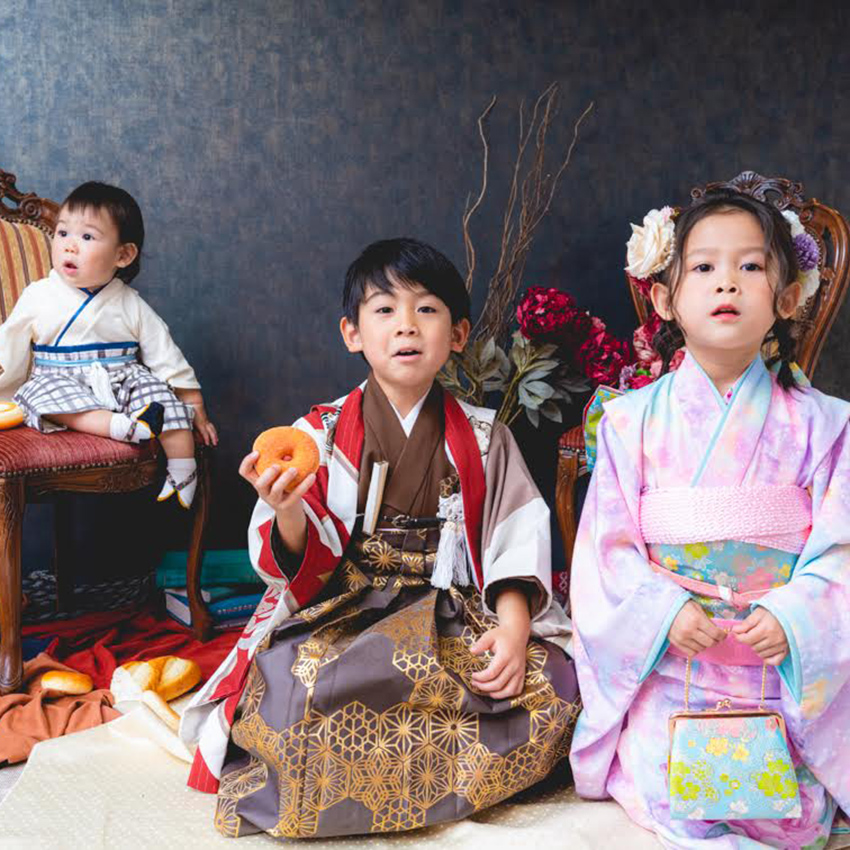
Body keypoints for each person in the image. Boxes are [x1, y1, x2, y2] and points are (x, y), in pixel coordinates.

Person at [180, 237, 578, 839]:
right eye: (385, 309)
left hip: (451, 604)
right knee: (294, 683)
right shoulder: (318, 432)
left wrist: (514, 632)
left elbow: (514, 538)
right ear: (353, 333)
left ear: (459, 334)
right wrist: (286, 509)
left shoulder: (485, 436)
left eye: (427, 309)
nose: (406, 326)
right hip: (349, 604)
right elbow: (297, 566)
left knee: (556, 681)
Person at [570, 191, 850, 847]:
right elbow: (607, 552)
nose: (727, 282)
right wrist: (662, 611)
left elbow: (842, 551)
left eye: (751, 266)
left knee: (792, 815)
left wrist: (794, 616)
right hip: (675, 669)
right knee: (674, 796)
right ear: (665, 300)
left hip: (778, 671)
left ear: (787, 298)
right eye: (703, 267)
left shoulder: (827, 425)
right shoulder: (629, 422)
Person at [0, 181, 217, 507]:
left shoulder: (130, 302)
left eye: (87, 237)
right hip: (59, 377)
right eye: (62, 233)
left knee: (163, 400)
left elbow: (164, 352)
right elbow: (10, 341)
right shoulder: (39, 295)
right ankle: (123, 427)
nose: (69, 246)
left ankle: (183, 471)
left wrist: (193, 403)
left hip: (122, 377)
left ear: (123, 255)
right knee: (46, 397)